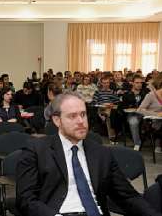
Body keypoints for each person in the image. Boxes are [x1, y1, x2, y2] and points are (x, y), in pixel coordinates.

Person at [16, 91, 162, 216]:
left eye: (83, 114)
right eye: (72, 116)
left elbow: (128, 197)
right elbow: (26, 199)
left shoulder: (101, 153)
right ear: (57, 120)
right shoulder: (36, 150)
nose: (81, 121)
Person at [119, 75, 148, 150]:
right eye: (137, 82)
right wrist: (129, 109)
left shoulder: (146, 93)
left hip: (145, 113)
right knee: (133, 121)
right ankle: (137, 143)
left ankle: (157, 144)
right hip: (132, 114)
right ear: (132, 83)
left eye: (141, 83)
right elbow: (121, 107)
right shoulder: (127, 94)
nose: (139, 84)